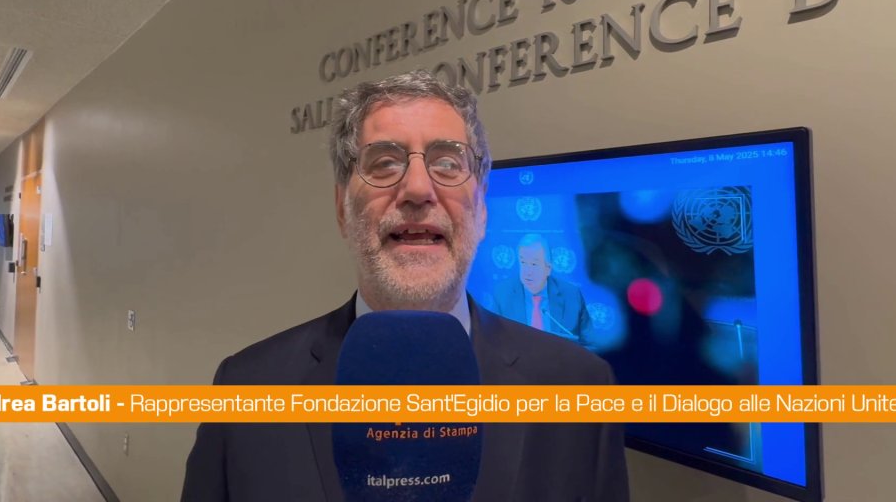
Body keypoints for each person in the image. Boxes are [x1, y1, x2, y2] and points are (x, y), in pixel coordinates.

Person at [181, 69, 629, 502]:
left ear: (482, 208)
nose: (417, 188)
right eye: (384, 163)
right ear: (342, 208)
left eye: (448, 163)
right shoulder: (245, 388)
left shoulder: (583, 387)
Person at [492, 233, 591, 343]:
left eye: (534, 264)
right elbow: (492, 342)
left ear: (548, 269)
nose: (527, 272)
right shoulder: (503, 294)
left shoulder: (571, 296)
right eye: (523, 263)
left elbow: (589, 344)